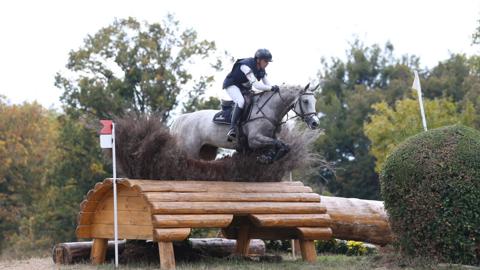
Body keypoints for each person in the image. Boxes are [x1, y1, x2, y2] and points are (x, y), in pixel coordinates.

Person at [222, 48, 280, 140]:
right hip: (231, 84)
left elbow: (268, 85)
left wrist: (275, 88)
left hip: (243, 87)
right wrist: (271, 88)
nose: (267, 64)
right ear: (258, 60)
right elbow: (257, 85)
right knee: (240, 101)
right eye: (265, 61)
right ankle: (232, 129)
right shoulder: (246, 66)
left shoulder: (261, 70)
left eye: (268, 62)